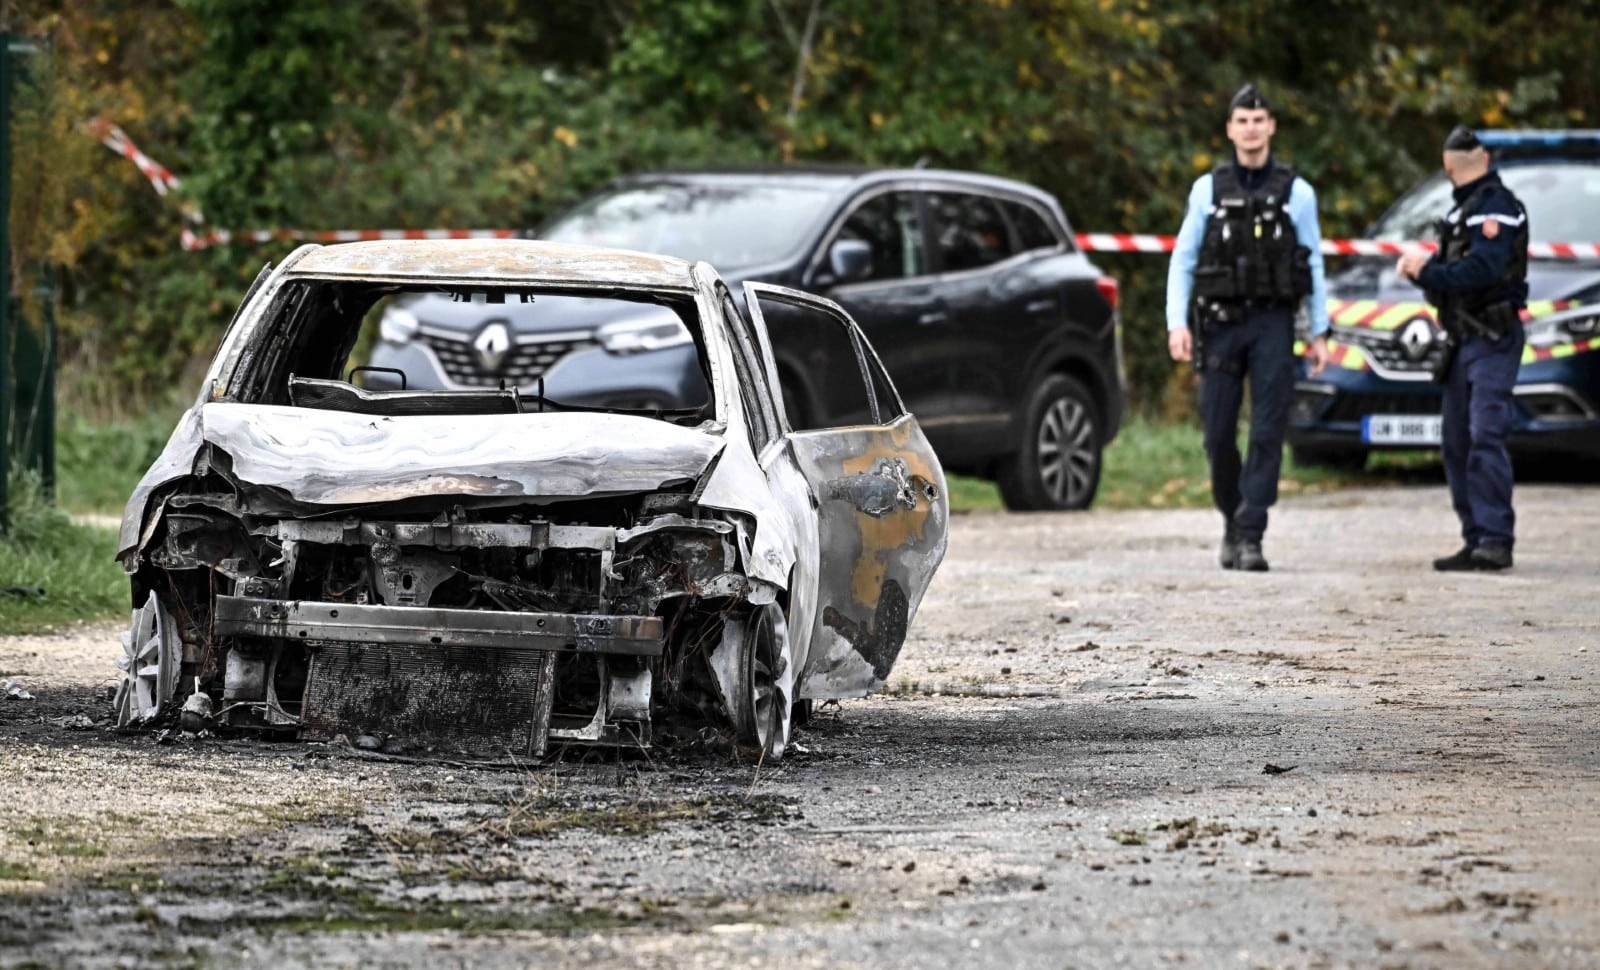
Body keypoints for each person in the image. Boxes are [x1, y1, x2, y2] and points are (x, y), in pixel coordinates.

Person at [1166, 83, 1331, 572]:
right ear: (1230, 129)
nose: (1251, 128)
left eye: (1260, 120)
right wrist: (1177, 323)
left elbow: (1313, 264)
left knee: (1267, 429)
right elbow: (1184, 260)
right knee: (1217, 435)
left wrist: (1318, 330)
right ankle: (1231, 518)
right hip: (1219, 324)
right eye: (1242, 120)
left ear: (1271, 126)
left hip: (1272, 323)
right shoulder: (1207, 189)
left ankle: (1252, 530)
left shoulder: (1297, 193)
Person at [1396, 125, 1529, 572]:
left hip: (1492, 339)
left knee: (1485, 437)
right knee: (1457, 443)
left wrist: (1426, 270)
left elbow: (1483, 271)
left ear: (1448, 165)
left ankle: (1495, 539)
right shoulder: (1463, 212)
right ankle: (1476, 539)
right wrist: (1427, 274)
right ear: (1483, 159)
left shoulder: (1496, 208)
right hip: (1463, 339)